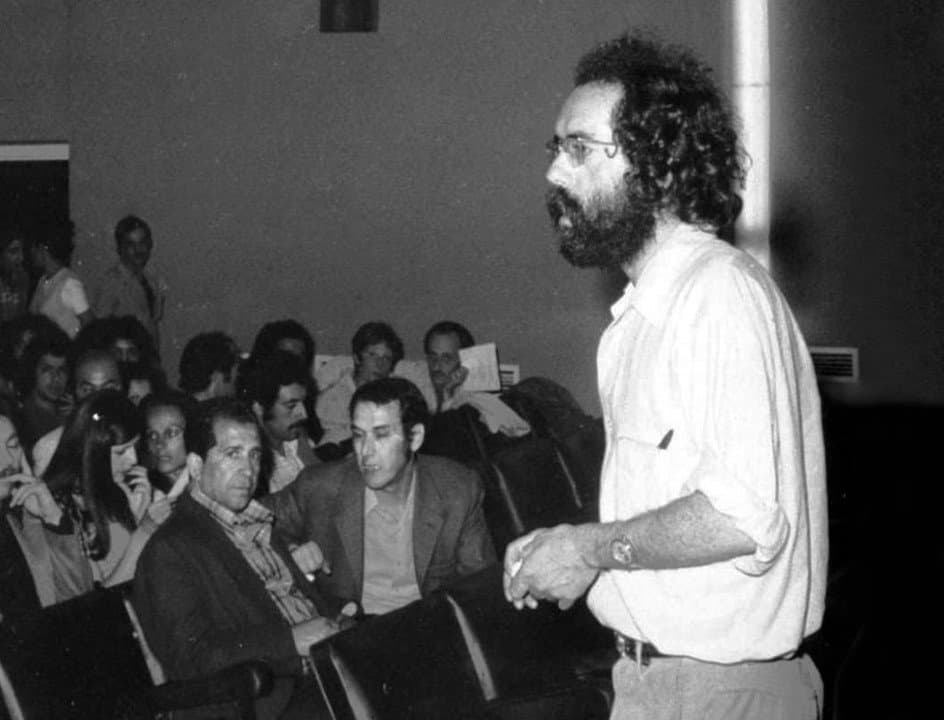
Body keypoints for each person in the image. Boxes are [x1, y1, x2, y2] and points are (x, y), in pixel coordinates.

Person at [502, 32, 827, 720]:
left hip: (721, 693)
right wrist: (587, 556)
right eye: (555, 148)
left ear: (658, 169)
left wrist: (586, 545)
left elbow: (740, 516)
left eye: (581, 149)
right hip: (658, 683)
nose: (556, 174)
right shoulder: (641, 316)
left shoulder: (718, 292)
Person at [133, 398, 342, 719]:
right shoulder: (170, 549)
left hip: (321, 676)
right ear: (195, 466)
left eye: (254, 454)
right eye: (232, 454)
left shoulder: (259, 525)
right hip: (265, 701)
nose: (248, 470)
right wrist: (289, 642)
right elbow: (190, 657)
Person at [267, 377, 494, 616]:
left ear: (415, 437)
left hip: (429, 627)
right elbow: (244, 522)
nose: (366, 451)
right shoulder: (319, 486)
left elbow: (479, 588)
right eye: (358, 435)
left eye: (381, 435)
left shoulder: (457, 490)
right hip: (350, 632)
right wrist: (291, 551)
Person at [0, 391, 90, 622]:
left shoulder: (25, 519)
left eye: (13, 445)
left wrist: (54, 520)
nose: (7, 460)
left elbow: (77, 600)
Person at [42, 390, 171, 585]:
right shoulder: (61, 507)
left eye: (134, 448)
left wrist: (134, 516)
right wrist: (144, 530)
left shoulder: (117, 487)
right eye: (121, 452)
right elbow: (98, 597)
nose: (132, 459)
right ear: (92, 452)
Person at [420, 321, 528, 449]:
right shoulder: (418, 375)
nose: (436, 366)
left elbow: (444, 444)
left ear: (465, 361)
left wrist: (447, 396)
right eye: (433, 358)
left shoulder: (475, 400)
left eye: (446, 358)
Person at [236, 351, 319, 493]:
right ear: (259, 408)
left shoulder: (295, 440)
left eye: (303, 403)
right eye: (291, 406)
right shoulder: (251, 462)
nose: (303, 414)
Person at [30, 348, 121, 476]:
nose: (99, 398)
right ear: (76, 392)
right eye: (88, 390)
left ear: (120, 388)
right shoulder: (50, 448)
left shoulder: (136, 438)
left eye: (108, 388)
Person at [315, 321, 404, 448]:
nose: (380, 364)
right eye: (372, 355)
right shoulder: (333, 398)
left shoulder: (397, 393)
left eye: (386, 358)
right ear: (357, 358)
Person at [90, 215, 168, 342]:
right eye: (131, 244)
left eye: (142, 243)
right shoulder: (112, 282)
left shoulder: (152, 282)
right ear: (120, 248)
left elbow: (152, 327)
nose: (138, 250)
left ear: (150, 245)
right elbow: (99, 331)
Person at [27, 219, 91, 339]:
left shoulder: (70, 283)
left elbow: (89, 322)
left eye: (32, 248)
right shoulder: (43, 281)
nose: (31, 253)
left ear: (42, 248)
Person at [14, 334, 71, 452]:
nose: (56, 378)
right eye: (47, 370)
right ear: (33, 372)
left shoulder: (70, 411)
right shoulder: (25, 420)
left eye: (62, 370)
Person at [140, 390, 196, 496]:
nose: (159, 444)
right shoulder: (142, 493)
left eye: (172, 433)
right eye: (152, 435)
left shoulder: (209, 488)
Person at [177, 331, 240, 402]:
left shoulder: (173, 410)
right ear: (216, 376)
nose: (235, 385)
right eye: (236, 375)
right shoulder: (223, 411)